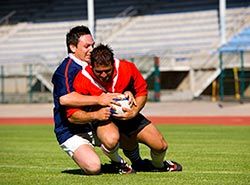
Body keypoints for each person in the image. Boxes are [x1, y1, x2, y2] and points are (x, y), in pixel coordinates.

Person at [67, 44, 182, 172]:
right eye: (99, 71)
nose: (104, 75)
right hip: (103, 118)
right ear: (91, 66)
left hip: (128, 114)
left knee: (160, 146)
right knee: (110, 140)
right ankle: (119, 164)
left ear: (113, 64)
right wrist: (96, 115)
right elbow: (72, 115)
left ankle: (158, 166)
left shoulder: (127, 68)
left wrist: (134, 111)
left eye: (108, 70)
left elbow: (142, 92)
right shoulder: (82, 78)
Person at [52, 26, 134, 175]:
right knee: (93, 167)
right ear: (72, 47)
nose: (91, 49)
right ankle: (115, 162)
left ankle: (132, 162)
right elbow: (65, 99)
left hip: (95, 123)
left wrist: (127, 92)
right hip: (70, 130)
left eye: (92, 45)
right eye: (86, 46)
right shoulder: (65, 71)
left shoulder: (94, 64)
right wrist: (99, 100)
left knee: (132, 129)